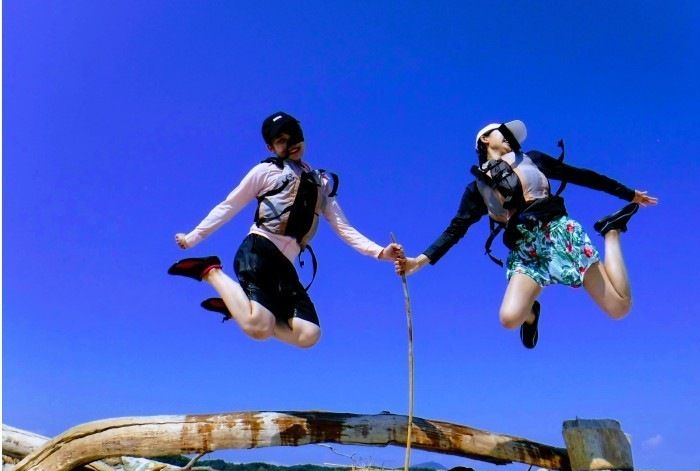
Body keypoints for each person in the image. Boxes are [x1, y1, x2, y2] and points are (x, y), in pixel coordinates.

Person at [395, 119, 657, 349]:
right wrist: (418, 261)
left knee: (619, 308)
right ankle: (531, 312)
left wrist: (628, 193)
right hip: (525, 251)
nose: (510, 139)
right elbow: (456, 229)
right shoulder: (476, 189)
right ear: (485, 139)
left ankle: (611, 230)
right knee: (509, 319)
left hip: (559, 235)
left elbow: (581, 176)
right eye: (503, 133)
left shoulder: (533, 159)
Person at [169, 111, 402, 348]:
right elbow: (230, 205)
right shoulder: (266, 172)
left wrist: (380, 252)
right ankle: (210, 270)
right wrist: (192, 237)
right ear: (271, 147)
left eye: (294, 136)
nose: (290, 144)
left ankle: (241, 306)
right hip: (259, 251)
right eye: (281, 140)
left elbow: (344, 227)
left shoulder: (321, 183)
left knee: (309, 335)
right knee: (259, 327)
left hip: (286, 267)